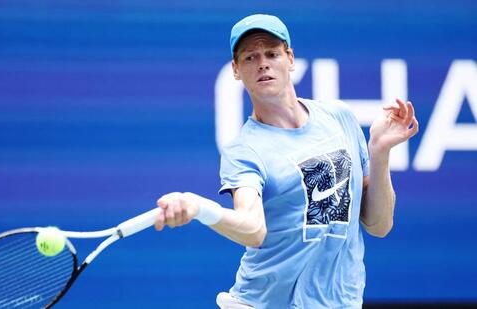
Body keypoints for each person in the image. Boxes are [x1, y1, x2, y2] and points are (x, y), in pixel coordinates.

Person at [154, 14, 419, 308]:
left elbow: (378, 224)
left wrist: (379, 152)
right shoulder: (245, 150)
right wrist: (199, 207)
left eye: (272, 53)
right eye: (250, 57)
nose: (263, 63)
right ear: (236, 69)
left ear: (290, 58)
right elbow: (253, 229)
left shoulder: (339, 117)